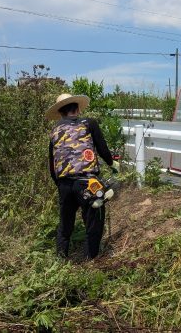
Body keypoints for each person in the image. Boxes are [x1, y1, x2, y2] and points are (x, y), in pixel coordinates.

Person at [46, 93, 120, 259]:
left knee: (65, 226)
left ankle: (61, 259)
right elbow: (102, 148)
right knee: (94, 223)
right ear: (78, 108)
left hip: (64, 184)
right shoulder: (88, 123)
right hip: (87, 182)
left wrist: (61, 185)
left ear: (60, 112)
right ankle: (89, 261)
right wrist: (112, 164)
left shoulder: (55, 130)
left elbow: (52, 164)